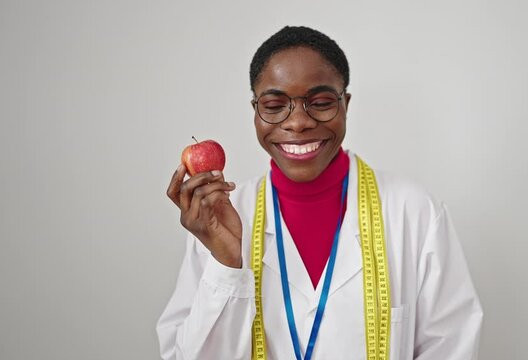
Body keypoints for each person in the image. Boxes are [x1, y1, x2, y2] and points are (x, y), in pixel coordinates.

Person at [157, 26, 483, 360]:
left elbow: (451, 346)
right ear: (255, 111)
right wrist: (227, 266)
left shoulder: (414, 212)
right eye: (274, 105)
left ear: (346, 105)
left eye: (321, 102)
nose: (298, 122)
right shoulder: (218, 219)